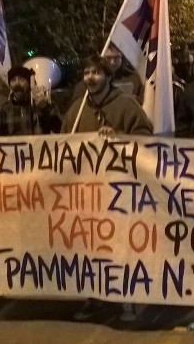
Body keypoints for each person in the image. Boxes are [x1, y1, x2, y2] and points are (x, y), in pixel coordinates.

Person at [62, 55, 152, 322]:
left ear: (108, 77)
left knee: (121, 245)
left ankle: (127, 297)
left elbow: (146, 138)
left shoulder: (127, 106)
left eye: (96, 73)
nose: (90, 77)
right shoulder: (77, 109)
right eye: (87, 73)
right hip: (87, 194)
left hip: (119, 192)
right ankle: (95, 297)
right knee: (91, 247)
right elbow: (62, 144)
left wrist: (119, 138)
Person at [0, 65, 62, 136]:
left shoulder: (41, 106)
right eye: (13, 80)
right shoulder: (1, 110)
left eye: (21, 79)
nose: (17, 83)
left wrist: (45, 108)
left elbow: (59, 129)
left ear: (29, 83)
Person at [71, 43, 143, 103]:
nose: (112, 62)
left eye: (117, 58)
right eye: (108, 58)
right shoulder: (87, 83)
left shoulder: (134, 79)